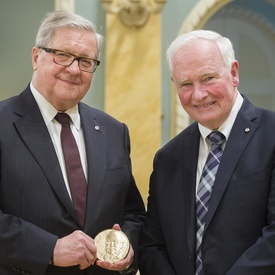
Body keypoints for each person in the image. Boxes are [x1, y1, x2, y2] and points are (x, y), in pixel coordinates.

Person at [0, 10, 145, 275]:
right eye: (63, 55)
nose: (74, 69)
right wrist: (48, 249)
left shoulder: (114, 131)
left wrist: (129, 248)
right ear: (36, 57)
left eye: (86, 61)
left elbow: (133, 213)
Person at [138, 29, 275, 275]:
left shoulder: (272, 135)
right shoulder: (167, 158)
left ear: (234, 73)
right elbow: (152, 245)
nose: (199, 95)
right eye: (186, 84)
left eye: (209, 78)